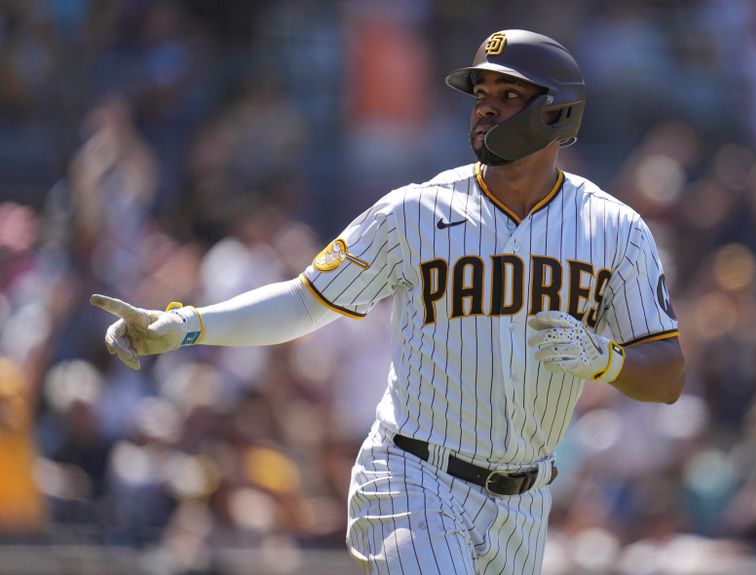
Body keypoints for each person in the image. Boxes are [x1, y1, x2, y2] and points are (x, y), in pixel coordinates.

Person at [92, 29, 685, 575]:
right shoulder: (413, 212)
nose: (486, 106)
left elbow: (668, 375)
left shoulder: (616, 230)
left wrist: (608, 362)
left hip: (525, 502)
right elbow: (304, 303)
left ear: (558, 111)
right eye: (481, 91)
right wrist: (188, 325)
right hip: (414, 474)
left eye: (509, 93)